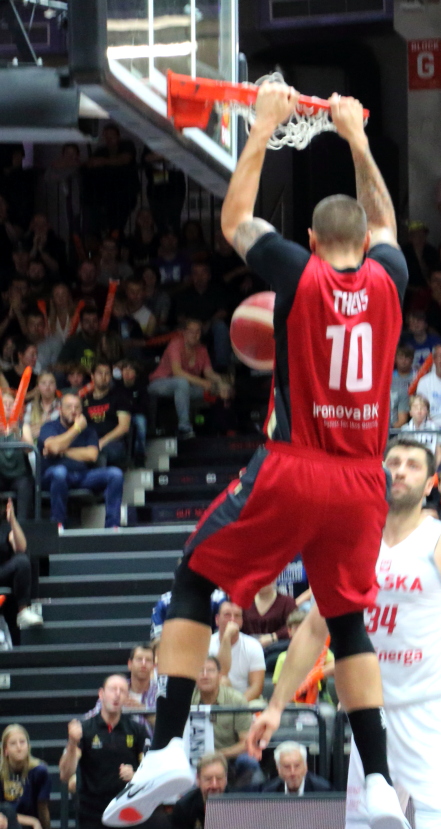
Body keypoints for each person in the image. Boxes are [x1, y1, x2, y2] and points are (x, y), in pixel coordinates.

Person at [104, 85, 410, 829]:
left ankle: (169, 746)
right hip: (364, 480)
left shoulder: (300, 275)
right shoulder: (391, 278)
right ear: (366, 242)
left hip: (298, 461)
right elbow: (385, 217)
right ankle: (378, 784)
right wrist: (354, 139)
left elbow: (236, 218)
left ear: (309, 237)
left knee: (194, 575)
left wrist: (265, 127)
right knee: (345, 623)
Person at [248, 437, 441, 829]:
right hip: (370, 714)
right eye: (393, 462)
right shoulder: (352, 541)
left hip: (434, 710)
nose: (400, 470)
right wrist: (275, 705)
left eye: (412, 465)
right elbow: (312, 628)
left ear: (430, 484)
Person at [59, 675, 149, 829]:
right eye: (113, 689)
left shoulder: (137, 730)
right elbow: (65, 774)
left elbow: (150, 772)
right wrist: (72, 743)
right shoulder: (85, 729)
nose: (117, 694)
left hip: (127, 811)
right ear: (101, 694)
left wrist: (136, 776)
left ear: (127, 697)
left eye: (122, 691)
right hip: (92, 814)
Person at [38, 394, 123, 529]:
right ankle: (58, 524)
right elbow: (53, 447)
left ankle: (112, 526)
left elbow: (92, 455)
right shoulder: (49, 427)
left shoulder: (88, 430)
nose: (73, 410)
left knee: (115, 474)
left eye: (77, 407)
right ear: (60, 409)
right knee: (60, 472)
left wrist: (62, 450)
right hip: (52, 476)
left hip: (82, 475)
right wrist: (76, 429)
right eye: (69, 407)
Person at [147, 319, 231, 440]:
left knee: (218, 390)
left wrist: (222, 382)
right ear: (184, 332)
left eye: (198, 331)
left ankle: (224, 429)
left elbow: (208, 372)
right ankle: (184, 427)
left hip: (186, 387)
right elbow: (177, 372)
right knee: (182, 383)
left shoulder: (202, 349)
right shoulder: (176, 345)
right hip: (159, 384)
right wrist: (203, 383)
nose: (195, 334)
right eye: (191, 331)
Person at [191, 657, 252, 761]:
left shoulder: (236, 700)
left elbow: (245, 743)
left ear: (220, 676)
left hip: (229, 757)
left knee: (248, 762)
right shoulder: (187, 699)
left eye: (210, 671)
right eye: (200, 671)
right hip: (193, 755)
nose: (205, 675)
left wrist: (217, 755)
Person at [208, 601, 265, 701]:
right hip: (213, 700)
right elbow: (220, 674)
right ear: (217, 620)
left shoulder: (253, 645)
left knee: (259, 705)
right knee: (222, 681)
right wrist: (226, 638)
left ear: (242, 621)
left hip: (245, 700)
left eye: (237, 616)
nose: (232, 620)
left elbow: (256, 687)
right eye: (227, 615)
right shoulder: (206, 644)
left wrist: (237, 705)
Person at [0, 499, 41, 629]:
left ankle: (24, 611)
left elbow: (21, 547)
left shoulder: (4, 528)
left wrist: (12, 520)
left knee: (25, 559)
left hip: (3, 572)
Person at [0, 725, 50, 829]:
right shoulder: (1, 772)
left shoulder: (39, 771)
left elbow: (42, 808)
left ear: (28, 746)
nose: (19, 747)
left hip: (30, 826)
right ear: (5, 750)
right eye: (13, 743)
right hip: (5, 823)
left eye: (22, 742)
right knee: (7, 809)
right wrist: (32, 821)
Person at [82, 362, 131, 469]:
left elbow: (124, 427)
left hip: (113, 443)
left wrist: (102, 441)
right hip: (89, 442)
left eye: (107, 374)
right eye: (100, 373)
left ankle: (99, 482)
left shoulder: (119, 397)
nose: (104, 377)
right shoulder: (84, 401)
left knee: (99, 452)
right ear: (92, 376)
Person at [169, 753, 228, 829]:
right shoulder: (184, 807)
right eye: (208, 779)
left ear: (226, 778)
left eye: (219, 778)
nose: (214, 785)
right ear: (198, 779)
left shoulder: (238, 803)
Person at [0, 393, 34, 521]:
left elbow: (30, 449)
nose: (8, 407)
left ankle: (22, 527)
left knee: (25, 485)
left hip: (20, 475)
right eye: (4, 404)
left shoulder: (22, 426)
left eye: (11, 404)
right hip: (1, 474)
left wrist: (17, 434)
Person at [262, 742, 331, 794]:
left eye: (297, 766)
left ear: (305, 767)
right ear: (278, 769)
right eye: (287, 767)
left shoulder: (322, 790)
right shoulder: (270, 791)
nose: (293, 772)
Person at [242, 582, 296, 647]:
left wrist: (274, 636)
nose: (262, 582)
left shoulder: (288, 602)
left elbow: (295, 626)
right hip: (248, 648)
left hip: (278, 648)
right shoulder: (244, 601)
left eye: (266, 578)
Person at [400, 394, 441, 468]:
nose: (419, 411)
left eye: (423, 408)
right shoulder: (404, 430)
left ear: (427, 411)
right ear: (410, 412)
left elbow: (439, 454)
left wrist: (433, 469)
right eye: (415, 408)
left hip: (430, 464)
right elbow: (402, 452)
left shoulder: (435, 429)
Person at [57, 306, 101, 375]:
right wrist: (81, 369)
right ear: (81, 323)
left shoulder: (105, 340)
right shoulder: (73, 341)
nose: (91, 325)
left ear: (99, 322)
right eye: (87, 321)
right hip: (79, 379)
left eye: (94, 321)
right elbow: (60, 365)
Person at [22, 374, 59, 444]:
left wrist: (41, 429)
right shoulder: (30, 406)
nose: (47, 387)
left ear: (55, 386)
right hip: (32, 445)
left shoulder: (62, 405)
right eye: (43, 383)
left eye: (51, 383)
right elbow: (26, 428)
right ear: (38, 387)